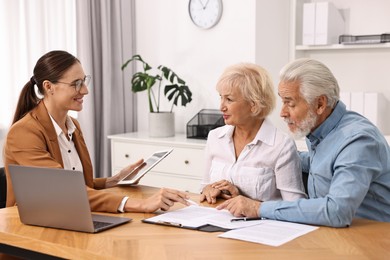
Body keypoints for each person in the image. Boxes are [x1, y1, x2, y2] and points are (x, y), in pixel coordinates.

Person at [4, 50, 190, 213]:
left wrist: (113, 181)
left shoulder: (73, 126)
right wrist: (139, 204)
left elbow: (80, 185)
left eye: (84, 81)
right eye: (76, 84)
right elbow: (65, 189)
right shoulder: (24, 133)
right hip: (33, 228)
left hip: (71, 216)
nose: (85, 90)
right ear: (48, 87)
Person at [217, 58, 390, 227]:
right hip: (328, 235)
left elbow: (336, 211)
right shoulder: (321, 133)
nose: (282, 113)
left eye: (289, 103)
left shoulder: (357, 141)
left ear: (320, 104)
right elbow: (317, 162)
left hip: (371, 242)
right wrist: (262, 156)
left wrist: (259, 208)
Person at [200, 63, 306, 204]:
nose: (221, 107)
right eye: (221, 97)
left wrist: (242, 199)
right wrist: (207, 190)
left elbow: (294, 206)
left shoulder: (281, 145)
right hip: (215, 222)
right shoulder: (214, 137)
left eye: (229, 99)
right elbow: (203, 189)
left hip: (261, 225)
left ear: (253, 104)